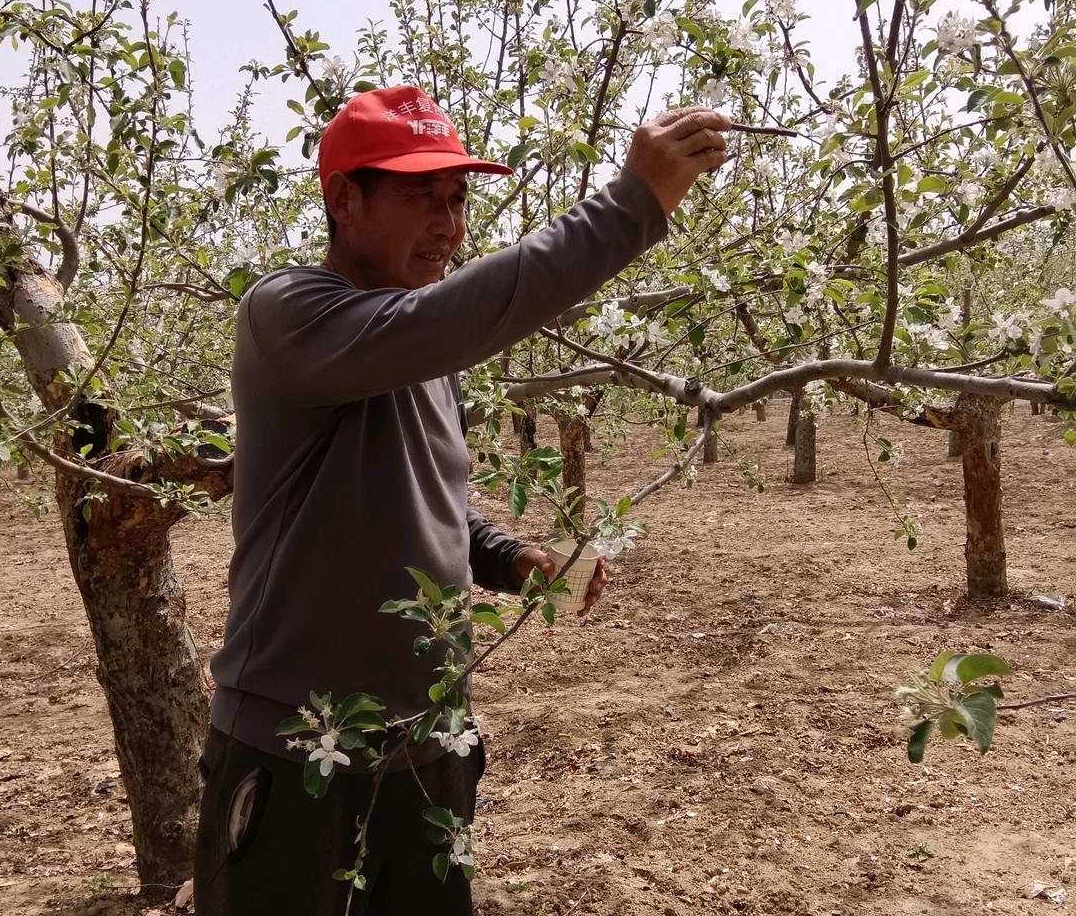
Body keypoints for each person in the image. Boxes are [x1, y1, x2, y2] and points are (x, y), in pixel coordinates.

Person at [193, 84, 730, 915]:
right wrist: (632, 203)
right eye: (420, 194)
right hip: (297, 745)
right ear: (344, 199)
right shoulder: (289, 313)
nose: (448, 221)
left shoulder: (425, 348)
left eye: (458, 197)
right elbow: (468, 310)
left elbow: (427, 497)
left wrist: (510, 559)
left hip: (426, 742)